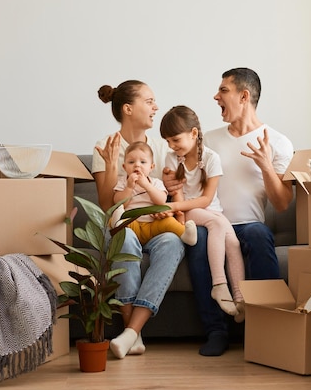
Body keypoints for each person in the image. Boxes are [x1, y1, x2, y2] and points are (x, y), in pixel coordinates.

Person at [163, 68, 294, 356]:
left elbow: (283, 203)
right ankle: (216, 332)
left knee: (260, 235)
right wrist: (171, 182)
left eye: (223, 90)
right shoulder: (207, 140)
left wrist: (266, 166)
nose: (215, 95)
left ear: (243, 96)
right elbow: (183, 178)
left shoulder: (278, 142)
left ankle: (265, 328)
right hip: (210, 221)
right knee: (196, 243)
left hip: (249, 225)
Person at [93, 80, 185, 359]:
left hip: (156, 225)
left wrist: (167, 209)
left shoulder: (161, 147)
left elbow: (173, 194)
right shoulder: (105, 146)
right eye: (149, 101)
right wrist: (111, 167)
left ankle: (131, 331)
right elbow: (108, 205)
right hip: (124, 223)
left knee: (172, 240)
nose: (156, 107)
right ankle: (135, 333)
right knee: (125, 236)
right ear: (128, 109)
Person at [159, 105, 245, 320]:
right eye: (168, 141)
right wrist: (177, 208)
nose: (171, 146)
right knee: (216, 225)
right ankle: (219, 284)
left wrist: (173, 207)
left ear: (194, 133)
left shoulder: (211, 158)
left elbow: (207, 199)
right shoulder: (172, 159)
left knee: (233, 243)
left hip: (209, 210)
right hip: (189, 214)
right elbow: (178, 196)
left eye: (175, 140)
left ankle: (240, 300)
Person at [113, 140, 197, 246]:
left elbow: (161, 201)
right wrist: (129, 187)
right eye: (131, 162)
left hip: (152, 225)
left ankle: (185, 234)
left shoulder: (156, 183)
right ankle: (117, 225)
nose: (137, 165)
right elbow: (119, 203)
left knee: (169, 222)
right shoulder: (123, 182)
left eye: (143, 162)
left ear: (151, 167)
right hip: (131, 224)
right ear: (124, 167)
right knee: (118, 218)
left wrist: (147, 186)